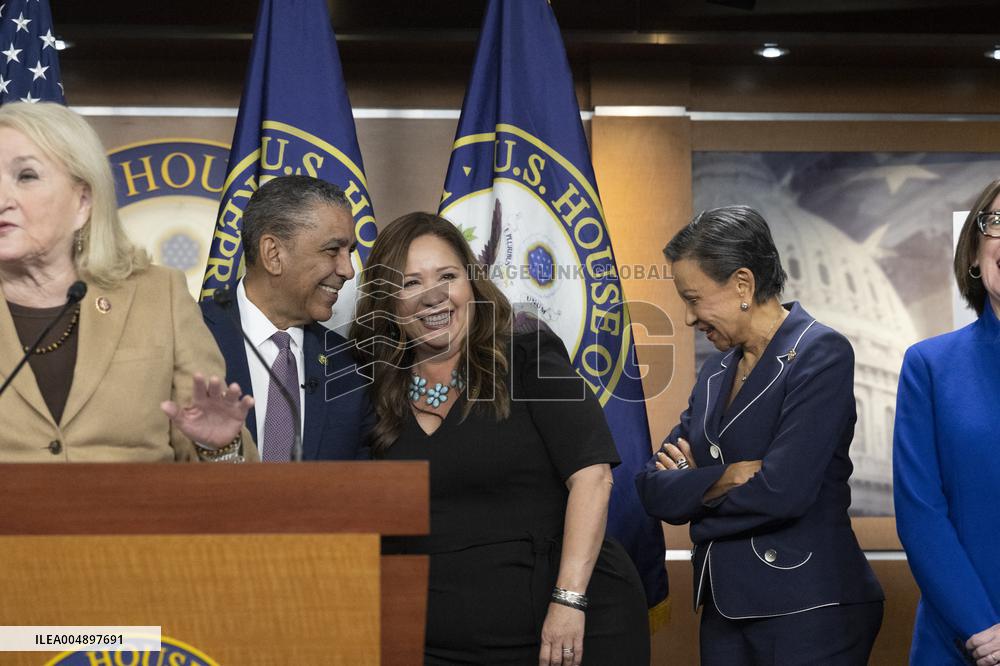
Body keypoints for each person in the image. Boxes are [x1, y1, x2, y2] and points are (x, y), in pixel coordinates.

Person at [351, 212, 648, 665]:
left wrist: (569, 601)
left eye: (447, 276)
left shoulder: (530, 356)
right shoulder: (368, 388)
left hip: (565, 633)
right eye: (410, 283)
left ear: (472, 284)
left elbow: (592, 477)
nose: (434, 295)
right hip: (431, 642)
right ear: (387, 302)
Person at [636, 206, 884, 664]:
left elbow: (783, 492)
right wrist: (725, 479)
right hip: (725, 611)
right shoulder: (716, 371)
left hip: (808, 609)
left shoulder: (821, 352)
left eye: (693, 298)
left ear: (743, 285)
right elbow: (652, 487)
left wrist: (695, 499)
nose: (688, 318)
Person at [0, 102, 256, 462]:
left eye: (26, 176)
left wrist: (218, 447)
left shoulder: (159, 295)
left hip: (137, 500)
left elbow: (223, 471)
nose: (2, 199)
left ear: (82, 202)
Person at [894, 179, 1000, 666]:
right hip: (960, 639)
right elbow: (920, 513)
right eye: (997, 223)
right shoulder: (930, 366)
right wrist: (981, 628)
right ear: (975, 253)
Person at [200, 175, 372, 461]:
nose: (348, 270)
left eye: (350, 252)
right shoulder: (184, 337)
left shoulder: (351, 368)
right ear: (274, 254)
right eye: (333, 250)